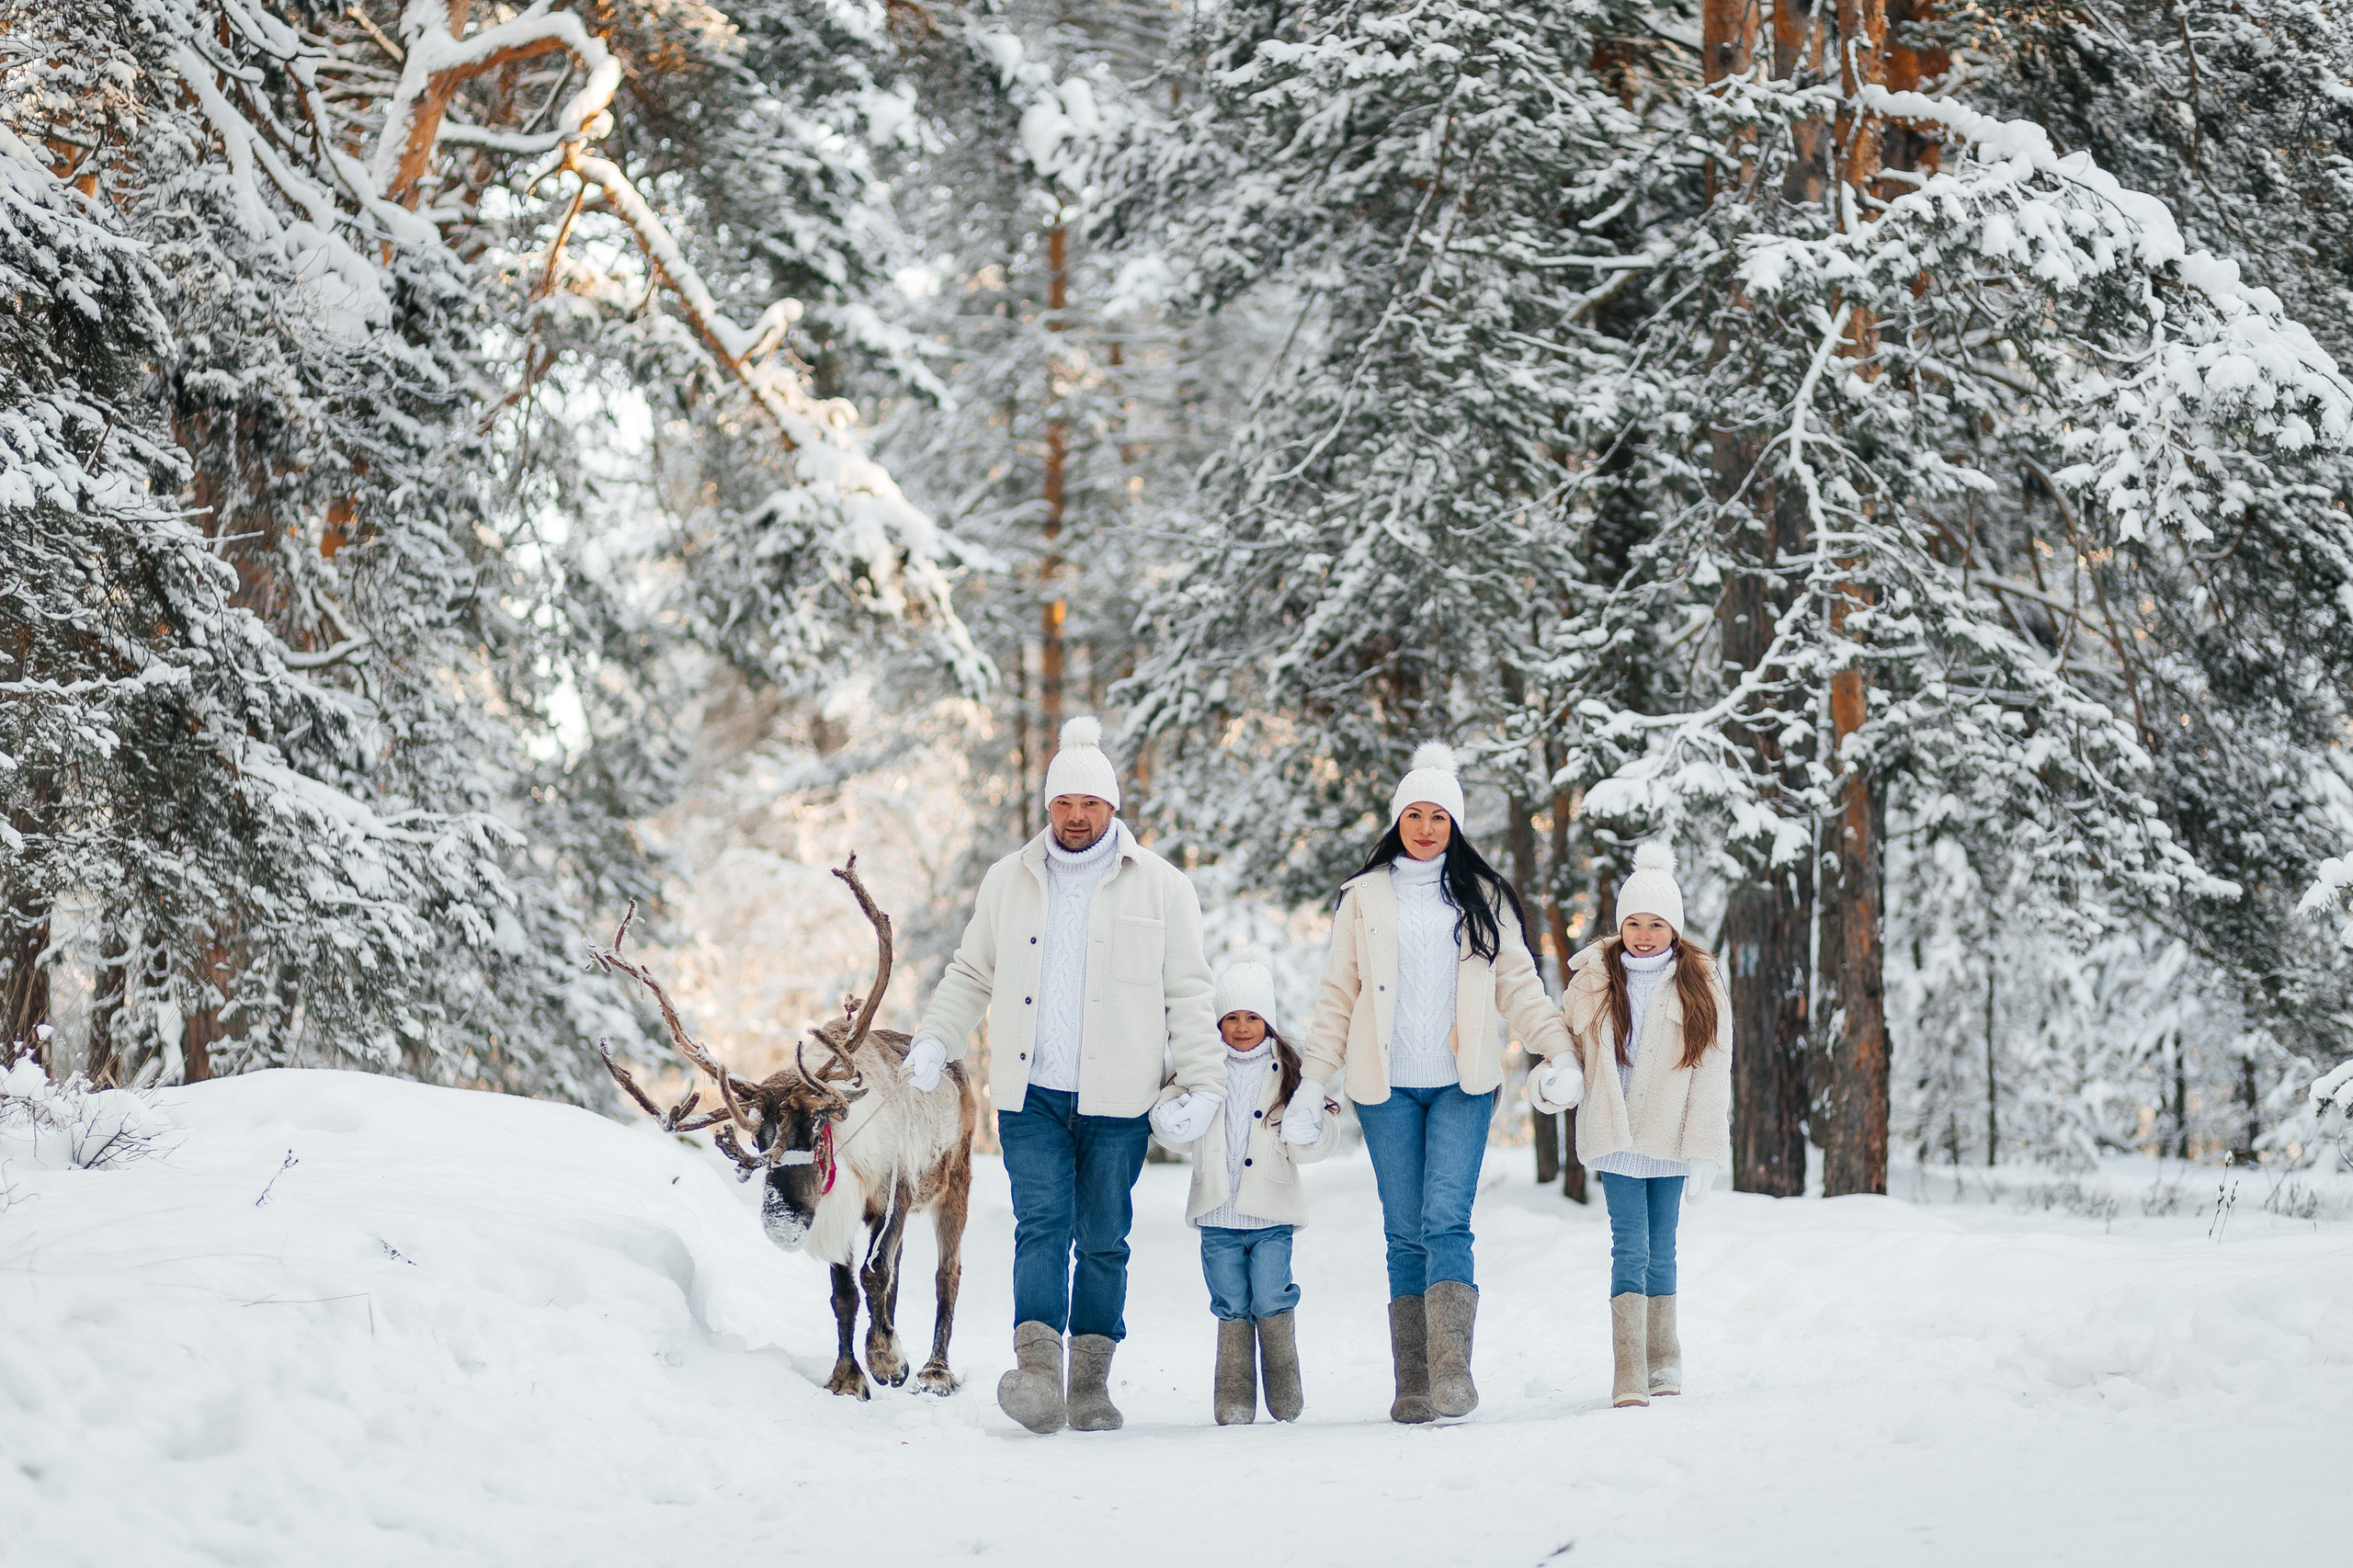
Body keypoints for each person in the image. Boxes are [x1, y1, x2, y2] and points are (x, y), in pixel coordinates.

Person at [904, 716, 1222, 1435]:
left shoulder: (1164, 888)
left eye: (1091, 805)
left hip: (1120, 1099)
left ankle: (1090, 1384)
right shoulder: (1008, 881)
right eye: (1063, 804)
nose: (1077, 818)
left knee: (1104, 1237)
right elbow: (970, 972)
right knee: (1040, 1225)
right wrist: (933, 1040)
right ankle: (1040, 1375)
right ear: (1047, 808)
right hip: (1031, 1093)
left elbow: (1190, 994)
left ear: (1113, 809)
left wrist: (1203, 1083)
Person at [1291, 742, 1573, 1423]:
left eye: (1438, 818)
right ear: (1397, 821)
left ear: (1455, 826)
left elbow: (1518, 987)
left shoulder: (1484, 897)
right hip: (1384, 1088)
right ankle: (1412, 1383)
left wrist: (1559, 1049)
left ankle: (1452, 1373)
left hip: (1462, 1086)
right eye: (1414, 815)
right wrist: (1312, 1081)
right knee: (1403, 1231)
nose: (1425, 828)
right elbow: (1338, 996)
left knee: (1447, 1220)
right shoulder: (1362, 897)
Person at [1529, 839, 1733, 1408]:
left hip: (1670, 1137)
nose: (1644, 935)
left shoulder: (1702, 983)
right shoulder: (1594, 979)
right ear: (1620, 926)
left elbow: (1714, 1070)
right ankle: (1628, 1371)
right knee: (1630, 1246)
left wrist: (1705, 1150)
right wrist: (1551, 1084)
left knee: (1662, 1247)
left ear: (1675, 928)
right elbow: (1561, 1047)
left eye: (1657, 924)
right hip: (1615, 1136)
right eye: (1634, 923)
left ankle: (1663, 1360)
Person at [1151, 960, 1340, 1426]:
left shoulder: (1290, 1074)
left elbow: (1323, 1128)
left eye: (1252, 1017)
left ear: (1268, 1021)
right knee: (1231, 1303)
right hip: (1217, 1215)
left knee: (1271, 1296)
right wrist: (1169, 1117)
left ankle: (1284, 1384)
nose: (1241, 1027)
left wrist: (1310, 1131)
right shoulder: (1200, 1070)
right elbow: (1172, 1124)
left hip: (1271, 1214)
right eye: (1231, 1017)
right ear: (1217, 1022)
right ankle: (1234, 1394)